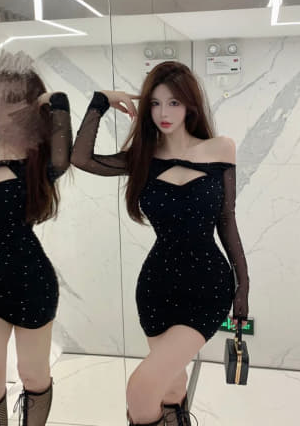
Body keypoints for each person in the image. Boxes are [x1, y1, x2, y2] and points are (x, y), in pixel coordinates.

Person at [71, 61, 249, 426]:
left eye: (173, 103)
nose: (163, 113)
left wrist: (242, 286)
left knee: (141, 389)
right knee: (171, 384)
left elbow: (227, 221)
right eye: (154, 103)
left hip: (207, 288)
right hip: (157, 289)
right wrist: (100, 101)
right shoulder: (141, 158)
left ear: (190, 105)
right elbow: (80, 159)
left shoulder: (221, 149)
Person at [0, 50, 72, 426]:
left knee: (33, 375)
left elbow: (64, 157)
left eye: (16, 99)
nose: (4, 107)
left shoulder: (39, 156)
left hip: (29, 279)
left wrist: (55, 103)